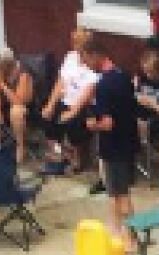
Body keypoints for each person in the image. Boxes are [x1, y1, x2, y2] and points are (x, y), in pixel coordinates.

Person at [84, 40, 140, 245]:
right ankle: (116, 233)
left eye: (86, 59)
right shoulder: (123, 76)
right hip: (128, 141)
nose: (87, 64)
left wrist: (93, 125)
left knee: (120, 195)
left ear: (95, 55)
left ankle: (131, 239)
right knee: (114, 194)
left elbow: (107, 123)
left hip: (113, 145)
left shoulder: (104, 85)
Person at [40, 29, 99, 173]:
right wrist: (50, 104)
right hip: (65, 100)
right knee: (49, 116)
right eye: (73, 41)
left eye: (77, 41)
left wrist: (73, 111)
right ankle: (58, 154)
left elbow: (89, 91)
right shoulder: (70, 56)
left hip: (83, 104)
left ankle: (77, 158)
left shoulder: (92, 61)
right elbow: (60, 81)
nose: (73, 44)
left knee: (73, 122)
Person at [0, 50, 35, 164]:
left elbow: (19, 101)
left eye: (1, 66)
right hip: (6, 108)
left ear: (9, 64)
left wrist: (2, 85)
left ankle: (20, 146)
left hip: (24, 109)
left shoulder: (23, 74)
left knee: (15, 111)